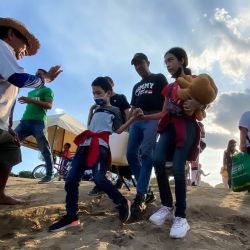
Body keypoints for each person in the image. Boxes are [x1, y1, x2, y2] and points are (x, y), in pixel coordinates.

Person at [48, 77, 141, 232]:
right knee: (70, 180)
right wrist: (90, 111)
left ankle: (122, 202)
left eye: (99, 93)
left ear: (108, 93)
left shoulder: (115, 110)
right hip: (83, 146)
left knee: (99, 178)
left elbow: (119, 130)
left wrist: (132, 119)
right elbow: (89, 126)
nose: (95, 96)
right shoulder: (95, 109)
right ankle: (71, 216)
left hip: (101, 147)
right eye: (93, 93)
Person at [138, 47, 206, 238]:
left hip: (187, 126)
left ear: (182, 60)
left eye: (171, 60)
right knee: (157, 160)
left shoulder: (195, 79)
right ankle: (167, 205)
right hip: (168, 126)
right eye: (165, 62)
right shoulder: (169, 88)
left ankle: (181, 217)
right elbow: (163, 112)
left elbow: (208, 101)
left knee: (177, 168)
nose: (168, 65)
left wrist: (198, 105)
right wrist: (143, 117)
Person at [0, 17, 61, 205]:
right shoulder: (2, 47)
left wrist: (9, 125)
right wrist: (46, 79)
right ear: (11, 35)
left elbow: (7, 101)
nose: (24, 53)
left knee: (12, 148)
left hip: (31, 121)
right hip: (24, 120)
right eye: (24, 47)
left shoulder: (43, 90)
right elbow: (18, 77)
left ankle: (0, 194)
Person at [126, 53, 167, 219]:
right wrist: (128, 123)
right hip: (137, 121)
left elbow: (167, 98)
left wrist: (163, 117)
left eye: (140, 63)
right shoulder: (136, 86)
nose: (138, 67)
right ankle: (147, 190)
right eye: (135, 65)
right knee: (130, 154)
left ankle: (141, 195)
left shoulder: (158, 78)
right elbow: (133, 106)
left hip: (153, 117)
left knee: (146, 153)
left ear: (147, 62)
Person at [88, 76, 131, 195]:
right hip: (104, 133)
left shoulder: (120, 97)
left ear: (111, 85)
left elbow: (127, 112)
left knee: (118, 157)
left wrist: (127, 129)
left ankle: (121, 180)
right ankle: (100, 183)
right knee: (103, 158)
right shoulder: (100, 100)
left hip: (119, 131)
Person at [15, 68, 56, 184]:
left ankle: (49, 175)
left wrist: (30, 100)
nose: (37, 75)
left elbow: (49, 105)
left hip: (38, 122)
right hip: (24, 121)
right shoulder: (30, 92)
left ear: (45, 77)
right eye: (36, 74)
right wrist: (29, 99)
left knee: (44, 149)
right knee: (11, 142)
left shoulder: (47, 90)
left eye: (39, 74)